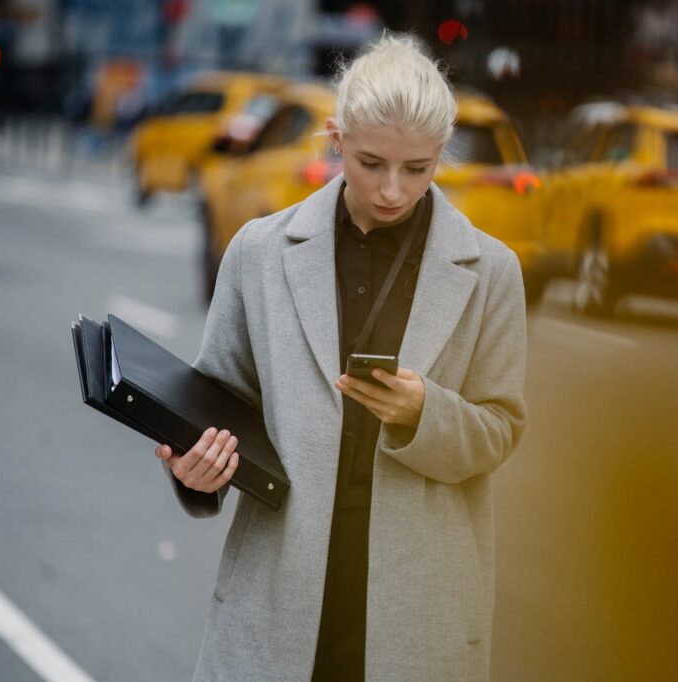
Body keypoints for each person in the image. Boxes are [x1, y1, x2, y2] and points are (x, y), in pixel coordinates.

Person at [153, 32, 526, 681]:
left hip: (418, 608)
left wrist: (423, 412)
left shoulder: (492, 271)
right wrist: (194, 467)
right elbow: (217, 401)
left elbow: (500, 429)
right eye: (371, 161)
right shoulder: (258, 252)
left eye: (417, 169)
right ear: (335, 139)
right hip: (278, 593)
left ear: (441, 154)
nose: (391, 189)